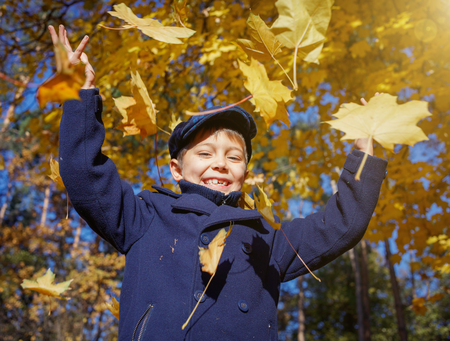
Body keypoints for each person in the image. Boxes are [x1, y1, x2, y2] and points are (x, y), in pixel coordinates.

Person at [50, 25, 388, 341]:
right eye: (205, 153)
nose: (220, 164)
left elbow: (340, 226)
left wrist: (364, 159)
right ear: (176, 169)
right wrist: (77, 92)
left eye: (234, 157)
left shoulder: (267, 240)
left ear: (245, 171)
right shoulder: (147, 216)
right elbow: (84, 174)